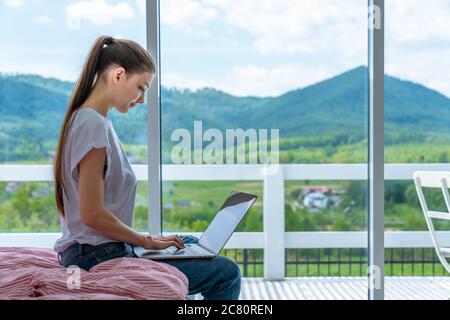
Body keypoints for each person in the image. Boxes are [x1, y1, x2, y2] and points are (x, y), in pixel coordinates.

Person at [52, 35, 241, 300]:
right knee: (227, 273)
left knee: (186, 243)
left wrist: (145, 240)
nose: (141, 99)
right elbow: (92, 214)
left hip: (98, 250)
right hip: (97, 256)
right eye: (141, 87)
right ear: (118, 75)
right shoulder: (92, 125)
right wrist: (143, 241)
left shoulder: (91, 121)